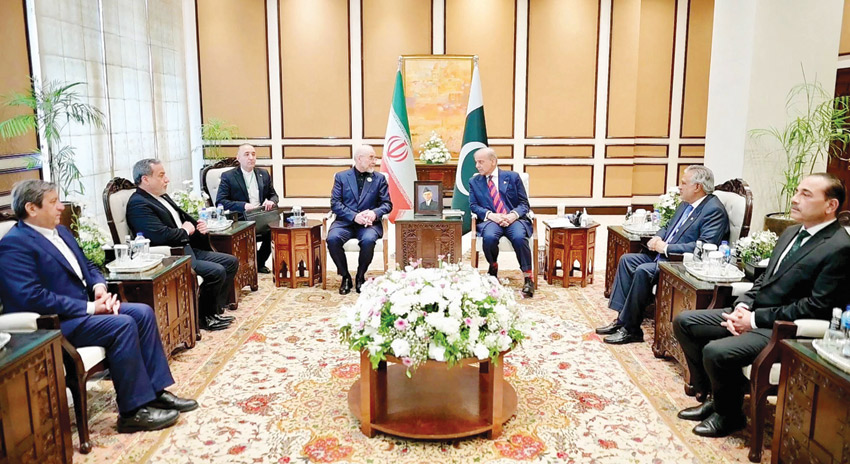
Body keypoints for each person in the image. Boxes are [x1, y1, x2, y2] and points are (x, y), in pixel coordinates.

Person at [0, 180, 198, 433]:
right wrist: (92, 307)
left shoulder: (61, 232)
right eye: (53, 202)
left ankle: (155, 392)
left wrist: (99, 289)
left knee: (142, 313)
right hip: (55, 323)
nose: (61, 207)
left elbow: (89, 266)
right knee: (122, 325)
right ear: (31, 208)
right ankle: (132, 412)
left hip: (84, 309)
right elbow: (31, 297)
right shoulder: (14, 245)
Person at [673, 173, 850, 438]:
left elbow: (815, 307)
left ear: (830, 205)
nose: (795, 199)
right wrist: (743, 307)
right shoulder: (791, 232)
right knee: (685, 322)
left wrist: (754, 320)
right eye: (797, 191)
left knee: (716, 351)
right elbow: (764, 279)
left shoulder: (838, 247)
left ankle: (729, 416)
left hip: (783, 328)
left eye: (806, 194)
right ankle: (714, 397)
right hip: (755, 313)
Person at [597, 165, 729, 344]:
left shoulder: (713, 210)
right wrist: (658, 237)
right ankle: (621, 320)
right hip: (661, 256)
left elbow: (704, 246)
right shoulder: (686, 203)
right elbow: (667, 226)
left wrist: (666, 248)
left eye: (684, 183)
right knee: (627, 260)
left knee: (643, 270)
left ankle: (632, 330)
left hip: (677, 263)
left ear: (697, 187)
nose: (679, 187)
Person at [126, 159, 237, 331]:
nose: (167, 179)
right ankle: (203, 318)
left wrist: (198, 227)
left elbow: (183, 219)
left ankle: (213, 311)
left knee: (230, 262)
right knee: (216, 272)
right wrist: (185, 231)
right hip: (174, 255)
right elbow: (159, 236)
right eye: (161, 175)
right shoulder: (138, 204)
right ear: (145, 179)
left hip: (188, 248)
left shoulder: (162, 196)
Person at [468, 147, 535, 298]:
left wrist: (512, 215)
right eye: (476, 162)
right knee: (489, 238)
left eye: (481, 162)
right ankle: (493, 268)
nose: (477, 166)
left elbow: (524, 204)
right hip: (491, 220)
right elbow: (473, 206)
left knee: (519, 238)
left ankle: (528, 278)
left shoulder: (512, 177)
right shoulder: (474, 181)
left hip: (513, 219)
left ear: (493, 161)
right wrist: (492, 215)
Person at [327, 145, 392, 294]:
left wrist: (374, 213)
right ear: (359, 158)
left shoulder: (379, 179)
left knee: (368, 240)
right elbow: (335, 204)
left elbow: (387, 204)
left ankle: (360, 276)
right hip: (345, 222)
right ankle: (345, 276)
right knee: (332, 239)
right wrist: (354, 216)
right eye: (371, 157)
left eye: (375, 158)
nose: (375, 161)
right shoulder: (341, 177)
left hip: (369, 224)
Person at [215, 143, 279, 273]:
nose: (251, 157)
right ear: (238, 158)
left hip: (261, 216)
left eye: (253, 154)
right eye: (247, 154)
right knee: (246, 233)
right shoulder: (229, 176)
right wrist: (243, 205)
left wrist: (271, 202)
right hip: (240, 218)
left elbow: (274, 195)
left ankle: (259, 262)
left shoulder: (263, 174)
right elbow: (221, 202)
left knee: (274, 231)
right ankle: (247, 264)